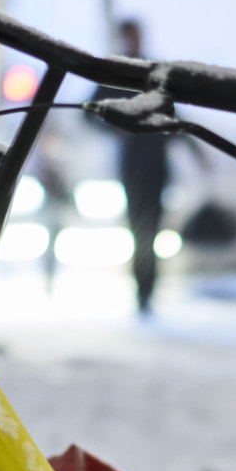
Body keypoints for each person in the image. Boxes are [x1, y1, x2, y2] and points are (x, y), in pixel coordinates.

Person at [102, 18, 170, 314]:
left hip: (154, 163)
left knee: (150, 230)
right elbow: (90, 113)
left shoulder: (156, 72)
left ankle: (147, 290)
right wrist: (117, 128)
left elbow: (171, 116)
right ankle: (143, 291)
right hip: (135, 166)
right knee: (140, 229)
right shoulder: (116, 72)